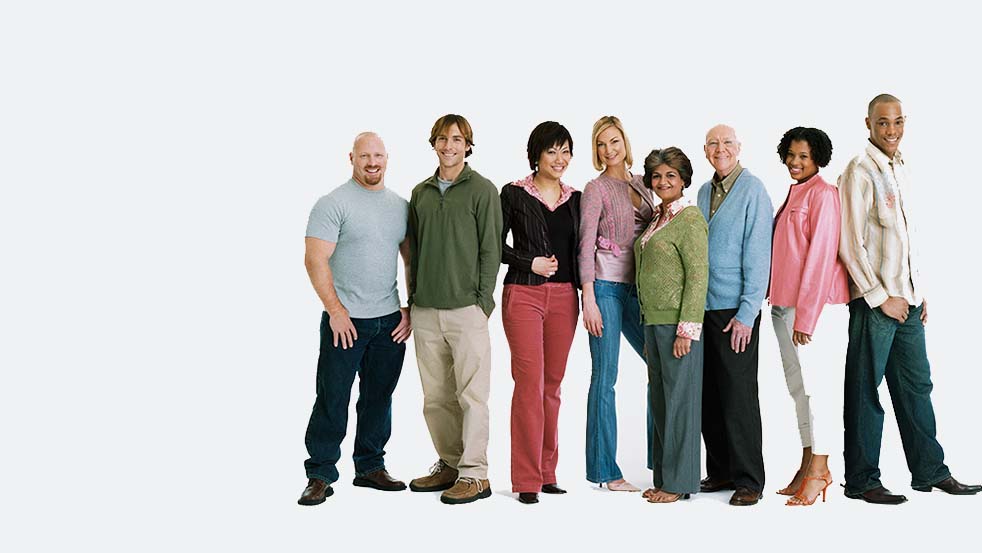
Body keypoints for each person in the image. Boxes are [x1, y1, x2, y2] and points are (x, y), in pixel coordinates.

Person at [838, 94, 981, 504]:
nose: (892, 131)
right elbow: (850, 244)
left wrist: (918, 292)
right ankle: (862, 480)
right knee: (865, 391)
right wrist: (881, 297)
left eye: (898, 122)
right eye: (883, 123)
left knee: (917, 387)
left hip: (909, 301)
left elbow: (904, 240)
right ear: (868, 124)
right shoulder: (859, 171)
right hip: (876, 305)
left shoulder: (900, 167)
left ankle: (930, 472)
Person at [298, 132, 412, 505]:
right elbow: (315, 260)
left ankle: (370, 467)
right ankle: (320, 473)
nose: (372, 162)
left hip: (388, 320)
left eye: (378, 155)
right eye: (365, 156)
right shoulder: (333, 204)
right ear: (352, 158)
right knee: (333, 397)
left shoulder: (400, 206)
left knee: (379, 398)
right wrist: (336, 311)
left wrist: (409, 307)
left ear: (387, 158)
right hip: (344, 322)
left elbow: (410, 260)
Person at [407, 114, 503, 505]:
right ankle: (449, 464)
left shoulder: (482, 190)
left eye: (457, 139)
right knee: (435, 398)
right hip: (426, 310)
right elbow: (413, 249)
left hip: (467, 310)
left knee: (472, 396)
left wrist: (482, 303)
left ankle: (476, 474)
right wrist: (413, 299)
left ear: (468, 145)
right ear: (434, 143)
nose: (449, 145)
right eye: (443, 139)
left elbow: (490, 251)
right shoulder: (421, 192)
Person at [769, 127, 850, 506]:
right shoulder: (793, 193)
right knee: (798, 391)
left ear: (818, 157)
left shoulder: (824, 195)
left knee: (820, 390)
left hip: (815, 312)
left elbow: (820, 258)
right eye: (791, 155)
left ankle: (821, 469)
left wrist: (807, 318)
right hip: (783, 306)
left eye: (803, 156)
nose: (795, 162)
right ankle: (806, 460)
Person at [500, 121, 581, 505]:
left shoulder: (576, 198)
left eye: (565, 151)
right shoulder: (514, 194)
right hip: (524, 295)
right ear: (536, 154)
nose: (559, 159)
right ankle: (526, 480)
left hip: (566, 298)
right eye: (552, 151)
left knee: (552, 387)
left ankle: (548, 473)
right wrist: (528, 262)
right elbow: (494, 246)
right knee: (529, 386)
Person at [696, 124, 773, 506]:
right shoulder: (703, 191)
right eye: (713, 143)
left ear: (739, 148)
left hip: (735, 310)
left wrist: (747, 313)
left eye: (727, 143)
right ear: (705, 151)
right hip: (704, 307)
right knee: (709, 392)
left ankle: (749, 479)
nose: (720, 149)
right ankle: (721, 469)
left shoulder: (753, 190)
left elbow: (759, 256)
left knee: (739, 395)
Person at [578, 115, 656, 491]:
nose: (608, 150)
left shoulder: (643, 184)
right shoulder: (595, 188)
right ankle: (605, 471)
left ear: (625, 142)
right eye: (601, 144)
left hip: (640, 290)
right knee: (605, 377)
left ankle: (662, 460)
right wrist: (588, 298)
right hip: (606, 288)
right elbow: (584, 244)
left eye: (614, 142)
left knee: (660, 366)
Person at [634, 147, 708, 504]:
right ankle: (664, 478)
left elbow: (697, 276)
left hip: (678, 326)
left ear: (683, 181)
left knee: (680, 404)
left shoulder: (689, 219)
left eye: (671, 176)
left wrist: (686, 330)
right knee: (661, 404)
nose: (663, 182)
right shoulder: (657, 219)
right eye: (658, 176)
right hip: (653, 322)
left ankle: (679, 484)